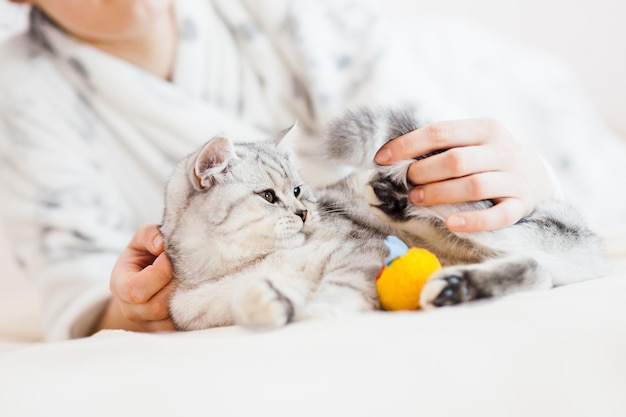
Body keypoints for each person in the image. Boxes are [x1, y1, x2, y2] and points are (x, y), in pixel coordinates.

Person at [0, 0, 620, 341]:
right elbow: (79, 287)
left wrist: (521, 177)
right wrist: (132, 307)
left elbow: (434, 151)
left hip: (478, 76)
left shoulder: (292, 16)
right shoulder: (22, 96)